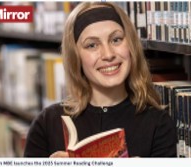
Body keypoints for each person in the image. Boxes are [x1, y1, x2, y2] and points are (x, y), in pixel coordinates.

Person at [24, 2, 177, 158]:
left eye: (116, 40)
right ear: (76, 57)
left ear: (131, 46)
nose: (108, 54)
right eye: (92, 45)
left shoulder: (159, 124)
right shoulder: (46, 124)